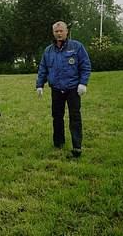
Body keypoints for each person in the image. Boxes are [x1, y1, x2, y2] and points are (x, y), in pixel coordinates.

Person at [36, 21, 91, 158]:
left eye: (61, 31)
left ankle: (77, 146)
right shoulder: (48, 51)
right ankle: (58, 143)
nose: (59, 33)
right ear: (53, 33)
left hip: (73, 88)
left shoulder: (77, 47)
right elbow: (43, 69)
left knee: (75, 117)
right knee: (57, 117)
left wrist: (83, 83)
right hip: (56, 89)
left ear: (67, 32)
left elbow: (85, 65)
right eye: (56, 31)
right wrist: (39, 85)